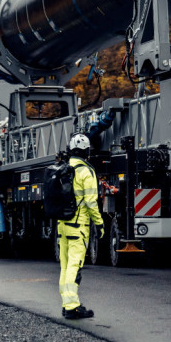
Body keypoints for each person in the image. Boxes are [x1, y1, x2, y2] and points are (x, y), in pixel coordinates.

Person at [58, 134, 104, 320]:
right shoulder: (86, 172)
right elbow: (91, 203)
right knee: (74, 267)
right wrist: (99, 223)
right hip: (78, 227)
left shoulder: (64, 168)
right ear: (87, 151)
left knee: (65, 266)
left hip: (63, 225)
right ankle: (72, 307)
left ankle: (66, 303)